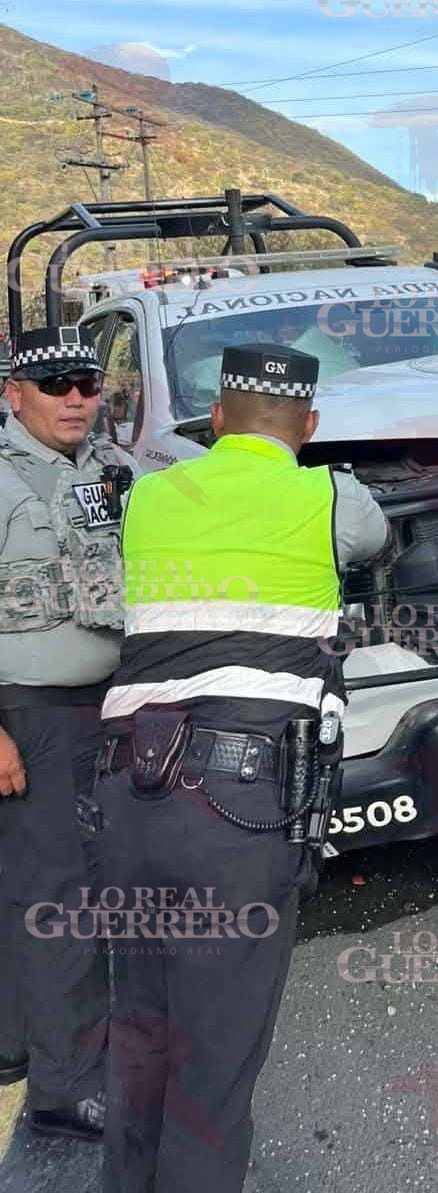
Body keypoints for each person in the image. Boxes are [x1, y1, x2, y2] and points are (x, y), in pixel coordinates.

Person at [89, 344, 390, 1192]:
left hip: (128, 790)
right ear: (312, 426)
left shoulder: (148, 494)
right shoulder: (330, 494)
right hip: (240, 805)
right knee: (213, 1062)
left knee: (141, 1029)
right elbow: (375, 539)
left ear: (216, 420)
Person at [0, 325, 137, 1141]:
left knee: (37, 886)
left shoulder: (111, 474)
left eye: (87, 381)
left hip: (101, 707)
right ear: (13, 392)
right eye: (56, 385)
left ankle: (22, 1046)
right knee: (63, 899)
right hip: (29, 714)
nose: (77, 397)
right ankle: (68, 1084)